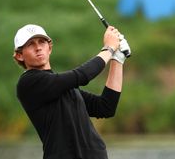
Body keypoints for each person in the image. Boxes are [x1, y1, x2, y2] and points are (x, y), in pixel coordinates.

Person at [12, 24, 130, 159]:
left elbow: (106, 107)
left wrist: (118, 59)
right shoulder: (29, 83)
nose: (38, 47)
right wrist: (109, 49)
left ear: (49, 48)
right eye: (30, 44)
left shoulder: (65, 87)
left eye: (42, 42)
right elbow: (82, 75)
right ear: (19, 55)